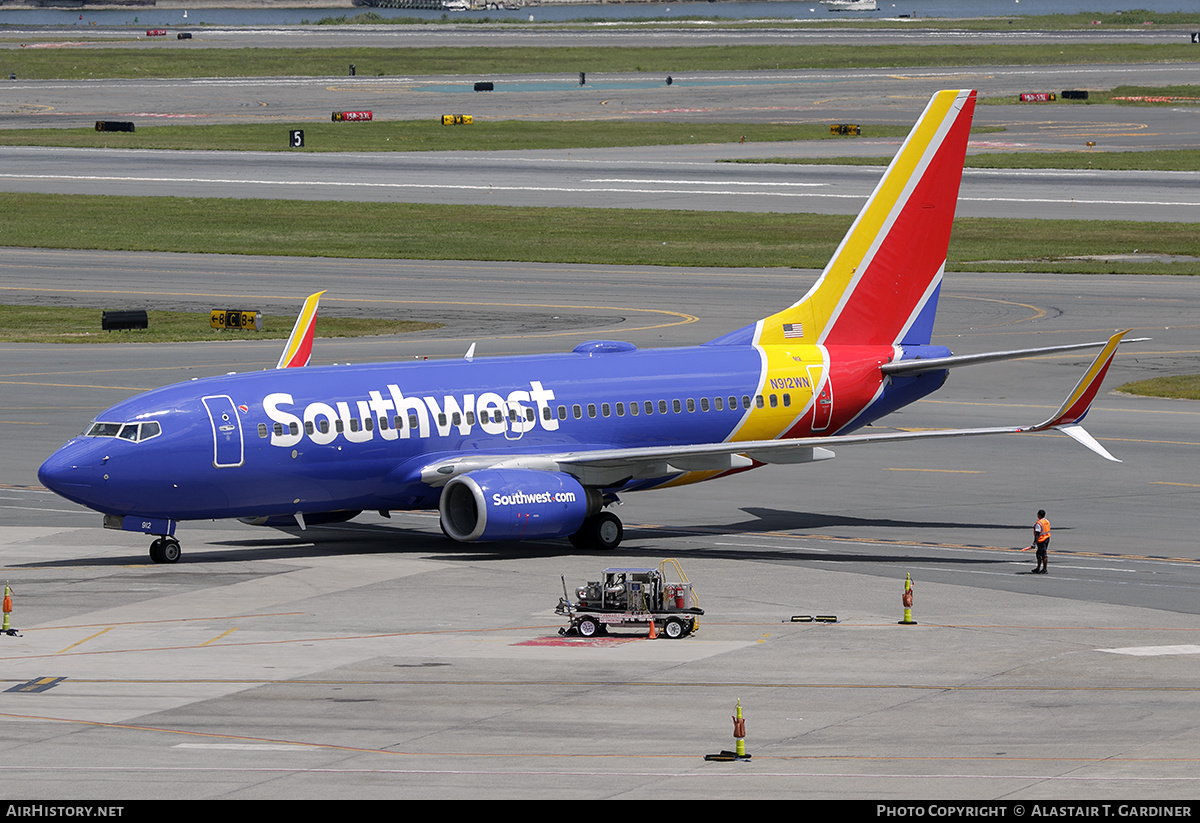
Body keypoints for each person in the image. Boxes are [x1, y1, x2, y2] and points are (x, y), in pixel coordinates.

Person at [1031, 510, 1050, 574]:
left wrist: (1034, 542)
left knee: (1043, 554)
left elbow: (1037, 534)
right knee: (1038, 554)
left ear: (1039, 515)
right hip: (1047, 538)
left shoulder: (1039, 523)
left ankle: (1044, 569)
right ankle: (1038, 568)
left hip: (1041, 540)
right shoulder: (1046, 521)